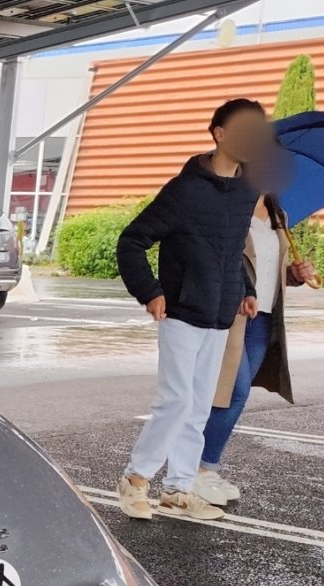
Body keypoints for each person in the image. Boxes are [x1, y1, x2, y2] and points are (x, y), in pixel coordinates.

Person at [114, 98, 269, 522]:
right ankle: (136, 479)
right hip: (181, 311)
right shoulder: (184, 190)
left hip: (221, 314)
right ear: (220, 134)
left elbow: (235, 248)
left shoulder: (247, 189)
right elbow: (131, 242)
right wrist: (150, 291)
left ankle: (179, 489)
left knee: (199, 404)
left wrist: (247, 288)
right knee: (177, 400)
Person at [193, 192, 315, 505]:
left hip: (264, 318)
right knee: (232, 391)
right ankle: (198, 471)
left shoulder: (279, 214)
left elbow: (271, 268)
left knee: (236, 392)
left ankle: (205, 468)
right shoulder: (232, 205)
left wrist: (295, 276)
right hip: (233, 315)